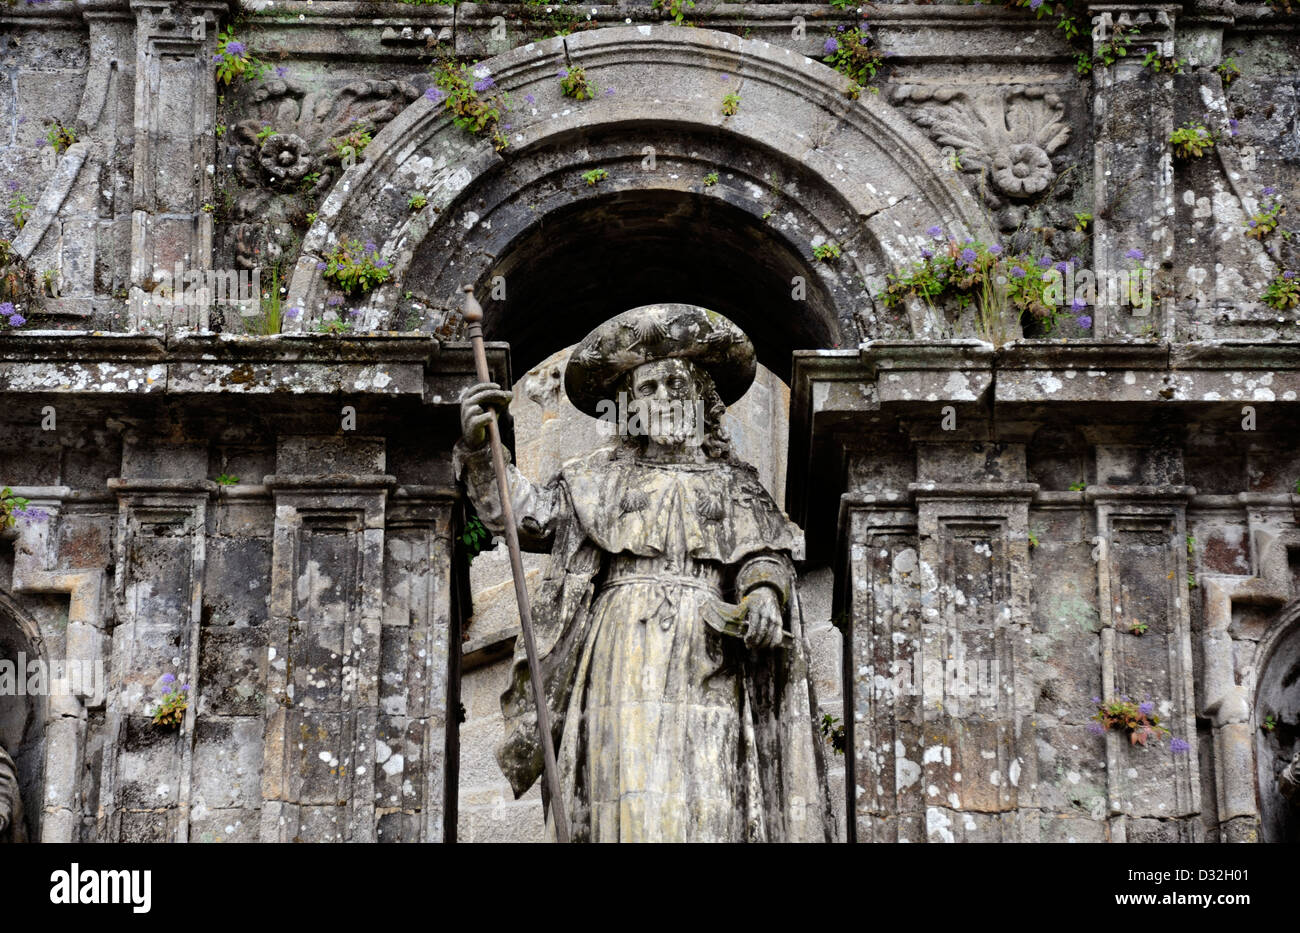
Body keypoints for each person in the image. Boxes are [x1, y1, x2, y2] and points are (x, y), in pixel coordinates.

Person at [455, 303, 835, 842]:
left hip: (711, 651)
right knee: (624, 790)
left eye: (674, 386)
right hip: (619, 648)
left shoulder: (738, 485)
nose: (662, 400)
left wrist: (764, 595)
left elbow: (762, 553)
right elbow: (522, 516)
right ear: (630, 406)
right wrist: (478, 450)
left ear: (703, 402)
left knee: (711, 792)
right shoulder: (595, 480)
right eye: (648, 389)